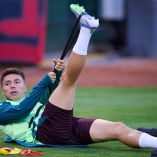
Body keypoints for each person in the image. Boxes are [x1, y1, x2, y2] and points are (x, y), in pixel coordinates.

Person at [0, 4, 157, 149]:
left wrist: (57, 72)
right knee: (69, 82)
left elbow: (54, 99)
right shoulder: (3, 109)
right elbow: (21, 111)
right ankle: (85, 30)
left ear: (24, 86)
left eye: (16, 81)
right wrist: (44, 82)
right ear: (2, 91)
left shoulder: (34, 102)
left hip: (65, 126)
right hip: (45, 131)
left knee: (118, 128)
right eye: (7, 84)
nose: (12, 85)